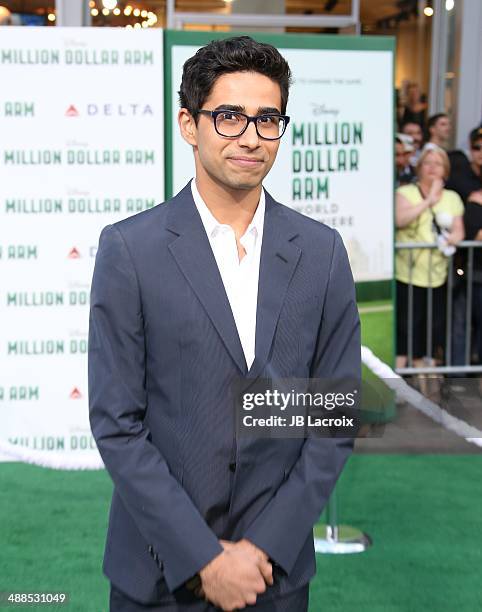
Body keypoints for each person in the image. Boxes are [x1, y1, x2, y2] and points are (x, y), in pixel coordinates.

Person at [88, 36, 361, 612]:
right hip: (158, 574)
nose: (250, 136)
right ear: (189, 124)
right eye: (229, 116)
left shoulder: (322, 252)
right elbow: (117, 424)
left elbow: (332, 416)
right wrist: (204, 560)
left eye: (268, 120)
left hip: (274, 575)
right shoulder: (130, 250)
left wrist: (263, 548)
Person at [395, 145, 464, 369]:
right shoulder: (406, 192)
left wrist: (451, 239)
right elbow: (400, 219)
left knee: (433, 331)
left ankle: (428, 391)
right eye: (428, 162)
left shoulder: (452, 197)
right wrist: (429, 201)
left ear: (446, 169)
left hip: (438, 277)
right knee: (405, 332)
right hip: (408, 276)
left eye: (438, 163)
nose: (433, 168)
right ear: (419, 166)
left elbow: (459, 231)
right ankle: (397, 390)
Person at [446, 127, 482, 365]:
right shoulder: (460, 178)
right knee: (460, 323)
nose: (481, 153)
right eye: (477, 147)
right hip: (465, 264)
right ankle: (458, 377)